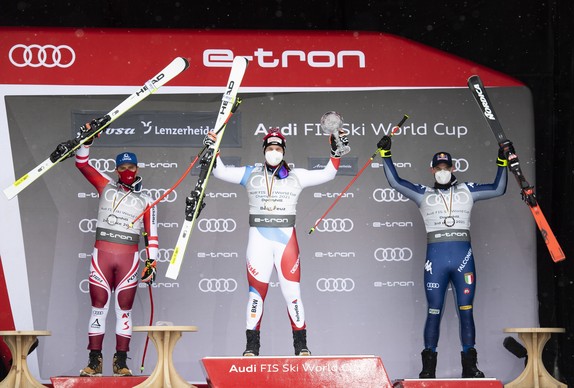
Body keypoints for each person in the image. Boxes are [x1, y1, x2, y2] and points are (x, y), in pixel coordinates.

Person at [204, 123, 349, 357]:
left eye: (278, 147)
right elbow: (219, 171)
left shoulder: (296, 176)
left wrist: (335, 152)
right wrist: (214, 148)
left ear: (284, 150)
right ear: (264, 150)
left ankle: (301, 345)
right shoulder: (250, 173)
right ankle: (252, 346)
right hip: (258, 240)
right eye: (270, 147)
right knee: (255, 294)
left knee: (292, 294)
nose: (274, 151)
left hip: (286, 242)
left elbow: (328, 174)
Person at [376, 134, 511, 379]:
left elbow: (498, 188)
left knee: (466, 311)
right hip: (435, 262)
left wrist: (502, 162)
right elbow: (396, 182)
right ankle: (428, 367)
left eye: (445, 167)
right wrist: (386, 155)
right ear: (431, 170)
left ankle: (470, 367)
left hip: (463, 261)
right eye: (437, 168)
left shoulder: (467, 191)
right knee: (434, 311)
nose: (442, 171)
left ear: (453, 168)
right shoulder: (423, 193)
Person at [61, 120, 159, 376]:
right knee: (99, 306)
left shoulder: (147, 200)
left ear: (137, 168)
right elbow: (82, 164)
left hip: (129, 259)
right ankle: (95, 360)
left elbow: (152, 235)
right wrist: (87, 142)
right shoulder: (105, 186)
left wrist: (152, 263)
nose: (127, 170)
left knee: (123, 310)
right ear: (117, 170)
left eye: (131, 166)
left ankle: (122, 361)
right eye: (123, 167)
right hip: (101, 257)